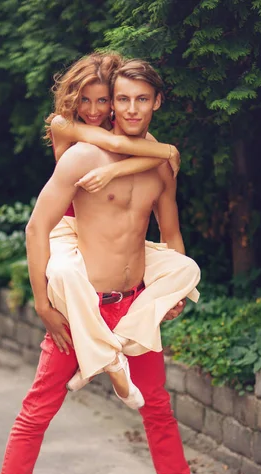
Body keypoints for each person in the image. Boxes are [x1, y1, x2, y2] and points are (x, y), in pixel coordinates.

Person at [0, 58, 224, 474]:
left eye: (141, 99)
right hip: (79, 311)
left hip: (134, 305)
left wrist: (167, 292)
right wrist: (44, 305)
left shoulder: (161, 166)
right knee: (35, 414)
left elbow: (171, 234)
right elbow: (37, 228)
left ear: (157, 102)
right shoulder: (82, 156)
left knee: (157, 408)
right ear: (111, 103)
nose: (130, 108)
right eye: (122, 99)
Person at [43, 53, 200, 408]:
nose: (94, 109)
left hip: (105, 235)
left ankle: (104, 350)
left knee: (188, 270)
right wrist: (167, 151)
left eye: (102, 100)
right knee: (66, 274)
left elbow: (148, 155)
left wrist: (120, 170)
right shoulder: (63, 125)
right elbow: (118, 146)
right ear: (72, 98)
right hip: (69, 227)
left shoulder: (126, 130)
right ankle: (108, 360)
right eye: (85, 99)